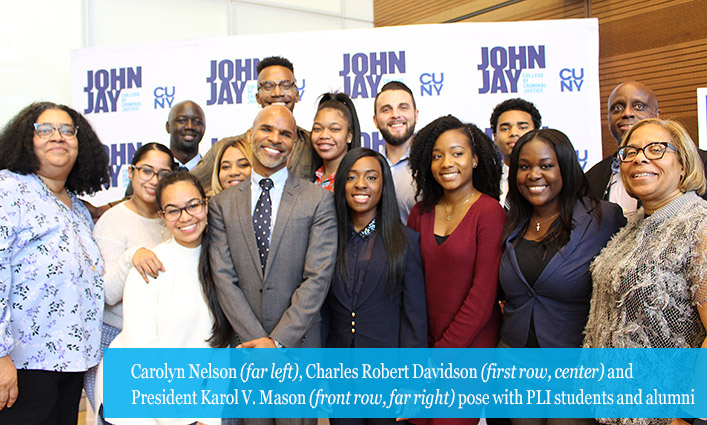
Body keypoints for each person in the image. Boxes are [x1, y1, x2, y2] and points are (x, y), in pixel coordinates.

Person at [208, 105, 336, 425]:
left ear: (294, 145)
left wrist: (277, 343)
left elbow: (317, 277)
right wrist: (259, 343)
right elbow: (224, 277)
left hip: (298, 350)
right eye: (267, 129)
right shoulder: (222, 204)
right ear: (251, 136)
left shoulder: (317, 200)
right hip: (246, 350)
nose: (274, 138)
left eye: (285, 133)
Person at [584, 119, 707, 425]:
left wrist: (689, 416)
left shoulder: (699, 226)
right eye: (630, 151)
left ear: (683, 164)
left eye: (656, 149)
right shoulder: (634, 225)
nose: (640, 158)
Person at [498, 129, 624, 425]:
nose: (534, 175)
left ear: (565, 167)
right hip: (516, 364)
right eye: (524, 167)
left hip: (574, 364)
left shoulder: (604, 218)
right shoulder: (511, 223)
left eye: (545, 165)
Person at [0, 102, 110, 424]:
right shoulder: (8, 190)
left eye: (67, 130)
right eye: (45, 129)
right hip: (23, 364)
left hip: (71, 364)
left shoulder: (76, 207)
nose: (57, 137)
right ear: (25, 140)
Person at [97, 171, 225, 425]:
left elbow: (221, 351)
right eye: (173, 210)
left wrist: (207, 418)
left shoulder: (223, 264)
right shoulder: (150, 267)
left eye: (193, 205)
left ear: (206, 204)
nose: (185, 217)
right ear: (162, 216)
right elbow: (141, 359)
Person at [407, 115, 504, 425]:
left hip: (470, 349)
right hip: (425, 345)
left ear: (475, 159)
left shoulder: (489, 212)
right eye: (437, 155)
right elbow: (410, 287)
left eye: (457, 153)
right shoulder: (419, 213)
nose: (446, 162)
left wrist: (439, 358)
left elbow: (483, 296)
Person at [85, 142, 175, 416]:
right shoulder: (112, 221)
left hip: (161, 342)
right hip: (115, 341)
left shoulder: (173, 219)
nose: (154, 180)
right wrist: (131, 256)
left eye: (163, 174)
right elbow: (107, 296)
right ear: (131, 172)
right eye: (147, 171)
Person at [325, 147, 426, 352]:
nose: (360, 185)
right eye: (351, 177)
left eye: (371, 178)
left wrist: (411, 377)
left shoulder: (406, 242)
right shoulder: (326, 239)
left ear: (383, 185)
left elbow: (414, 318)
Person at [192, 56, 317, 187]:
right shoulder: (228, 148)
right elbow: (188, 185)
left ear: (297, 94)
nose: (277, 92)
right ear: (257, 97)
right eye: (268, 86)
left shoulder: (313, 145)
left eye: (285, 85)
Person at [372, 81, 419, 223]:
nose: (395, 115)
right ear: (375, 120)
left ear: (416, 115)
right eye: (386, 110)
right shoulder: (370, 166)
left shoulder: (433, 164)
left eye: (403, 108)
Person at [489, 98, 542, 206]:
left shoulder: (547, 178)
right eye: (505, 129)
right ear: (495, 137)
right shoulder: (487, 180)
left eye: (522, 127)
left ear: (537, 133)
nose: (513, 133)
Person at [311, 92, 362, 191]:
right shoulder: (311, 178)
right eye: (317, 129)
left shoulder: (355, 180)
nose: (324, 135)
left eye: (334, 129)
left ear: (349, 136)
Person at [167, 100, 206, 170]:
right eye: (181, 120)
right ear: (168, 127)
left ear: (204, 128)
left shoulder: (213, 173)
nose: (190, 126)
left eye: (197, 122)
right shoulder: (156, 172)